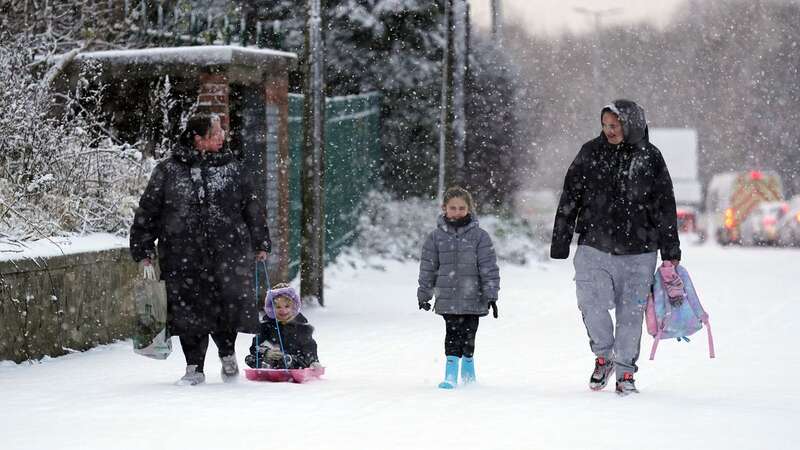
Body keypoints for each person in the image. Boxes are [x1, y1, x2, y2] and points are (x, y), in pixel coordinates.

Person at [550, 99, 682, 396]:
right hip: (594, 246)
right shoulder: (590, 152)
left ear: (631, 124)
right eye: (605, 125)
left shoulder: (650, 157)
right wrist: (561, 239)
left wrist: (670, 251)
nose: (609, 131)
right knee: (591, 304)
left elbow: (665, 206)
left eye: (615, 125)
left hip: (640, 250)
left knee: (630, 314)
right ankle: (603, 355)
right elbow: (571, 195)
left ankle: (624, 371)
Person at [130, 113, 271, 386]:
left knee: (226, 305)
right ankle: (194, 366)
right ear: (198, 138)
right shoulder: (168, 171)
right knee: (187, 311)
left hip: (227, 254)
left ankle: (227, 353)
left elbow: (252, 207)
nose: (222, 137)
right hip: (182, 257)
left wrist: (260, 241)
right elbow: (148, 212)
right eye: (216, 133)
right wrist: (143, 249)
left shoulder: (234, 168)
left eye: (221, 133)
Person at [417, 186, 500, 389]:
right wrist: (424, 294)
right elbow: (428, 268)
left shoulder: (480, 237)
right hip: (448, 297)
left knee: (469, 334)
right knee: (452, 333)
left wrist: (491, 294)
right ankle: (450, 373)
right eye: (453, 207)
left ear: (469, 209)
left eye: (462, 208)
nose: (457, 212)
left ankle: (468, 368)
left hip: (474, 296)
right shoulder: (435, 237)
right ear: (444, 208)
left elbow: (488, 267)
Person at [245, 284, 320, 370]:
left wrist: (313, 361)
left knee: (294, 360)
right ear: (271, 308)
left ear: (294, 306)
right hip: (272, 359)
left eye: (287, 306)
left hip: (295, 360)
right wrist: (266, 352)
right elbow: (255, 346)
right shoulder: (266, 325)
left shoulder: (301, 326)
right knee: (250, 359)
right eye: (278, 307)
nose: (283, 310)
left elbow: (309, 347)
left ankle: (286, 363)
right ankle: (266, 366)